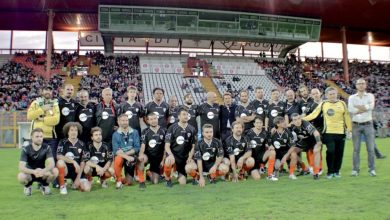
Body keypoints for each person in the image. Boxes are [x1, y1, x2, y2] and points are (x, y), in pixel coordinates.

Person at [304, 87, 352, 179]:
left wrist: (349, 130)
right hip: (328, 132)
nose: (332, 96)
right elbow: (314, 114)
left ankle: (336, 171)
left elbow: (347, 117)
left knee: (339, 153)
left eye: (334, 94)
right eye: (330, 94)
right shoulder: (323, 104)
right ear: (326, 95)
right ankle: (330, 172)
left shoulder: (342, 103)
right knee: (331, 151)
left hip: (341, 133)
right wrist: (302, 119)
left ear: (336, 94)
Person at [348, 78, 376, 177]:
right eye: (359, 84)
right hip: (356, 125)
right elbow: (351, 109)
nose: (361, 85)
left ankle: (371, 169)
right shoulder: (352, 97)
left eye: (362, 83)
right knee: (356, 149)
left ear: (365, 85)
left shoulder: (370, 96)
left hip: (368, 124)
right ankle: (355, 170)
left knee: (371, 149)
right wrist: (365, 107)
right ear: (356, 86)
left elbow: (371, 107)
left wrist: (358, 107)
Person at [18, 128, 58, 196]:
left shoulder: (47, 147)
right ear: (32, 137)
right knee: (21, 176)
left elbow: (52, 163)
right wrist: (34, 172)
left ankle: (45, 186)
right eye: (37, 136)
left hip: (42, 173)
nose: (39, 138)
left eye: (41, 136)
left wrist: (43, 171)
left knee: (55, 171)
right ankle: (28, 186)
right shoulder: (26, 149)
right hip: (30, 173)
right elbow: (21, 167)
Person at [163, 107, 197, 187]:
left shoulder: (192, 129)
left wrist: (190, 157)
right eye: (183, 114)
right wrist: (171, 155)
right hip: (174, 157)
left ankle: (194, 178)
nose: (186, 116)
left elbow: (193, 146)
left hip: (185, 158)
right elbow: (167, 146)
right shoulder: (172, 128)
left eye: (187, 114)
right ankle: (168, 180)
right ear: (178, 116)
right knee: (168, 161)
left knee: (183, 183)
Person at [27, 86, 60, 160]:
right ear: (42, 92)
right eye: (46, 90)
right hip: (36, 137)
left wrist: (42, 119)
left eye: (49, 90)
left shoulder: (54, 104)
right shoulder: (35, 103)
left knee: (51, 162)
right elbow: (29, 116)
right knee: (34, 162)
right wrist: (42, 109)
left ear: (52, 92)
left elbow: (56, 120)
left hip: (50, 138)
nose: (47, 92)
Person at [56, 122, 90, 194]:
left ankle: (75, 182)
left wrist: (78, 178)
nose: (73, 132)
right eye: (71, 130)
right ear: (67, 132)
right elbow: (58, 156)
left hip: (77, 171)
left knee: (87, 188)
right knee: (60, 162)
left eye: (75, 130)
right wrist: (73, 162)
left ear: (78, 132)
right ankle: (62, 186)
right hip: (66, 170)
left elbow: (83, 161)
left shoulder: (82, 144)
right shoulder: (62, 142)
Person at [112, 114, 142, 189]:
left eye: (126, 120)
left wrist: (126, 154)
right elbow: (116, 151)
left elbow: (137, 148)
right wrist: (126, 156)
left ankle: (135, 174)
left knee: (129, 182)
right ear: (118, 122)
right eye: (123, 120)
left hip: (131, 157)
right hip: (122, 157)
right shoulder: (115, 134)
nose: (125, 122)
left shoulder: (135, 132)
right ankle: (118, 180)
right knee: (118, 158)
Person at [289, 113, 323, 180]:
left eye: (299, 119)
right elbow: (284, 127)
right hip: (305, 140)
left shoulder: (306, 124)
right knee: (292, 152)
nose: (298, 121)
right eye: (295, 120)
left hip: (314, 139)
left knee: (316, 151)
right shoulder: (291, 126)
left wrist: (319, 142)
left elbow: (316, 132)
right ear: (292, 121)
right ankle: (304, 168)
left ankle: (316, 173)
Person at [139, 112, 167, 184]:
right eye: (151, 119)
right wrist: (141, 154)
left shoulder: (164, 131)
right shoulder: (145, 131)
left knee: (155, 182)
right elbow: (143, 145)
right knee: (142, 160)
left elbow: (165, 147)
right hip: (148, 155)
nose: (154, 120)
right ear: (148, 121)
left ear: (157, 119)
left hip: (158, 157)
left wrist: (163, 160)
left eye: (155, 118)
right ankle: (141, 181)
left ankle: (148, 172)